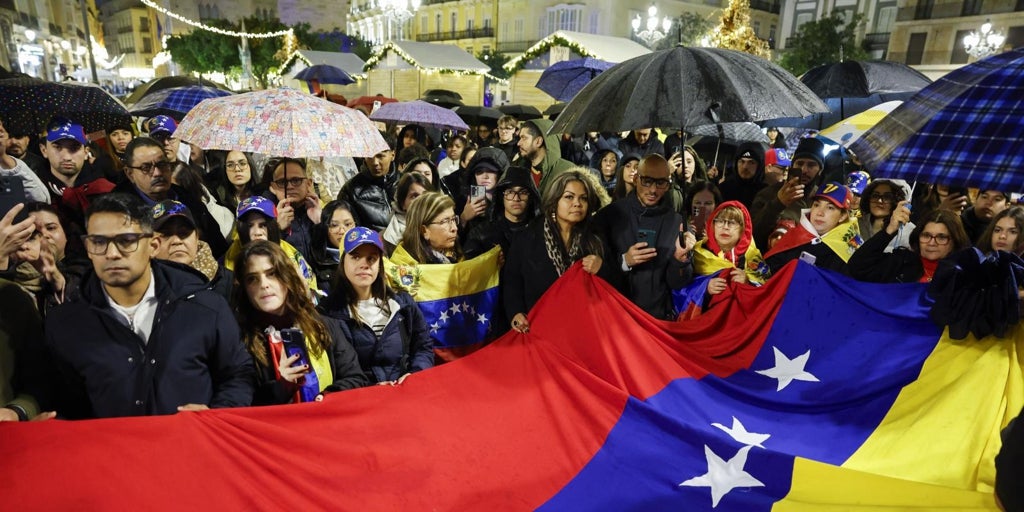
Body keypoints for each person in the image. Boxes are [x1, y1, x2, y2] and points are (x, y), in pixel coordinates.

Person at [44, 193, 254, 418]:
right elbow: (65, 402)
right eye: (99, 242)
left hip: (191, 439)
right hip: (112, 441)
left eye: (126, 241)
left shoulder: (206, 306)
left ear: (153, 245)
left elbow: (238, 373)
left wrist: (217, 413)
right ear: (87, 247)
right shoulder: (65, 323)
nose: (112, 254)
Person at [233, 240, 366, 404]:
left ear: (287, 277)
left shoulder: (325, 326)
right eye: (252, 279)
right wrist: (283, 387)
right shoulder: (241, 341)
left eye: (272, 274)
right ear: (244, 289)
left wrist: (328, 396)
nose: (264, 285)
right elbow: (242, 403)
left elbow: (356, 378)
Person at [321, 227, 434, 384]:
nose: (364, 265)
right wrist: (373, 388)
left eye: (371, 258)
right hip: (360, 395)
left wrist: (415, 375)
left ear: (380, 264)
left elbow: (423, 347)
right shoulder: (328, 313)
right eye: (355, 257)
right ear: (343, 262)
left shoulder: (403, 304)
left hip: (406, 392)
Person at [503, 170, 610, 333]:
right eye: (569, 197)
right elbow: (512, 281)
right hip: (539, 329)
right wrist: (516, 313)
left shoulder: (595, 238)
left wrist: (602, 269)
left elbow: (615, 286)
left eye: (583, 198)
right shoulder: (528, 237)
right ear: (554, 201)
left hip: (584, 329)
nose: (577, 203)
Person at [595, 154, 696, 320]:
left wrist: (680, 259)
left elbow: (678, 284)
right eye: (647, 181)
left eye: (661, 183)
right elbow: (593, 269)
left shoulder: (677, 223)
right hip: (614, 315)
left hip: (657, 320)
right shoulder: (610, 215)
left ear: (668, 184)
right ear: (636, 179)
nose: (653, 190)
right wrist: (624, 262)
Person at [114, 136, 228, 259]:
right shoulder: (116, 212)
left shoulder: (187, 197)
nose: (157, 173)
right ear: (129, 174)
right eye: (146, 168)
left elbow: (218, 245)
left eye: (162, 164)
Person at [848, 206, 969, 283]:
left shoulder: (963, 277)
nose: (932, 243)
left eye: (941, 237)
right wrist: (889, 230)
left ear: (955, 241)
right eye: (926, 235)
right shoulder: (901, 262)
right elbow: (858, 267)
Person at [225, 196, 318, 295]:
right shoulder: (233, 258)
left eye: (263, 225)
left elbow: (310, 289)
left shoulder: (288, 251)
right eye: (250, 226)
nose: (257, 232)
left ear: (271, 226)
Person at [763, 182, 863, 275]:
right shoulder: (794, 235)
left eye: (830, 208)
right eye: (816, 205)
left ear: (842, 216)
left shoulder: (849, 250)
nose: (820, 213)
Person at [751, 137, 830, 251]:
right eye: (799, 163)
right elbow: (753, 235)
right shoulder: (768, 194)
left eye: (811, 165)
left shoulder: (824, 198)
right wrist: (778, 203)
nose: (804, 170)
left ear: (820, 169)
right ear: (792, 165)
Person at [150, 200, 232, 301]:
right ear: (151, 243)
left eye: (184, 233)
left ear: (197, 237)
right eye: (166, 234)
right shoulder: (143, 289)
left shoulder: (229, 282)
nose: (176, 241)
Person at [463, 166, 541, 259]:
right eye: (510, 192)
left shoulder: (541, 232)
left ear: (531, 197)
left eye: (523, 192)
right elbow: (470, 265)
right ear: (501, 196)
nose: (516, 198)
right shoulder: (481, 234)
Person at [692, 201, 769, 294]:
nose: (725, 227)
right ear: (713, 225)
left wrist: (748, 282)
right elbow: (682, 289)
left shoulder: (752, 256)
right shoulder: (696, 253)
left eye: (732, 223)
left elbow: (767, 291)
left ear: (743, 229)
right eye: (720, 221)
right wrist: (704, 287)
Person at [262, 157, 323, 260]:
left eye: (296, 180)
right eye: (282, 182)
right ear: (273, 187)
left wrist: (320, 224)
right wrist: (277, 229)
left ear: (309, 183)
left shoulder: (323, 210)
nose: (289, 186)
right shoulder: (261, 216)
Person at [338, 135, 398, 232]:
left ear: (393, 155)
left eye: (380, 156)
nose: (375, 162)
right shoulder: (351, 190)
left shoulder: (406, 184)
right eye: (370, 156)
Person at [395, 192, 464, 264]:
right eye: (445, 221)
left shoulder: (455, 253)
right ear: (424, 230)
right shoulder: (404, 267)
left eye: (453, 219)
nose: (454, 228)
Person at [308, 200, 360, 294]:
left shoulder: (369, 251)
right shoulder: (316, 260)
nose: (342, 231)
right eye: (334, 225)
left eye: (348, 224)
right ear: (325, 228)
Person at [514, 118, 574, 194]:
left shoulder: (567, 172)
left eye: (524, 138)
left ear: (538, 141)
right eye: (520, 138)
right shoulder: (518, 167)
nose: (518, 143)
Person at [857, 179, 913, 252]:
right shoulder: (855, 224)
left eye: (887, 197)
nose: (879, 201)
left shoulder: (910, 232)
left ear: (898, 201)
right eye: (875, 196)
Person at [382, 172, 430, 254]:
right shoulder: (392, 236)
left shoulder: (442, 222)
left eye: (425, 195)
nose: (421, 200)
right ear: (402, 203)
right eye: (414, 196)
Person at [718, 142, 766, 209]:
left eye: (751, 162)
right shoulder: (724, 188)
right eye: (742, 161)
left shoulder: (765, 193)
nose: (745, 167)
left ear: (759, 166)